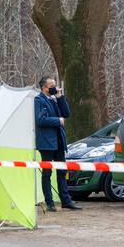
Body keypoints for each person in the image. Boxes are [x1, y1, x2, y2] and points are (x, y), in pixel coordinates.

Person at [35, 76, 80, 212]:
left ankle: (66, 201)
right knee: (47, 173)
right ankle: (50, 203)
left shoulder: (55, 99)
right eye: (52, 85)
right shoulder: (38, 100)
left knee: (62, 171)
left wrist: (60, 97)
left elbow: (66, 113)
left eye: (55, 85)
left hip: (59, 140)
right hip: (47, 142)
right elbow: (41, 120)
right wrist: (58, 121)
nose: (55, 87)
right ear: (44, 88)